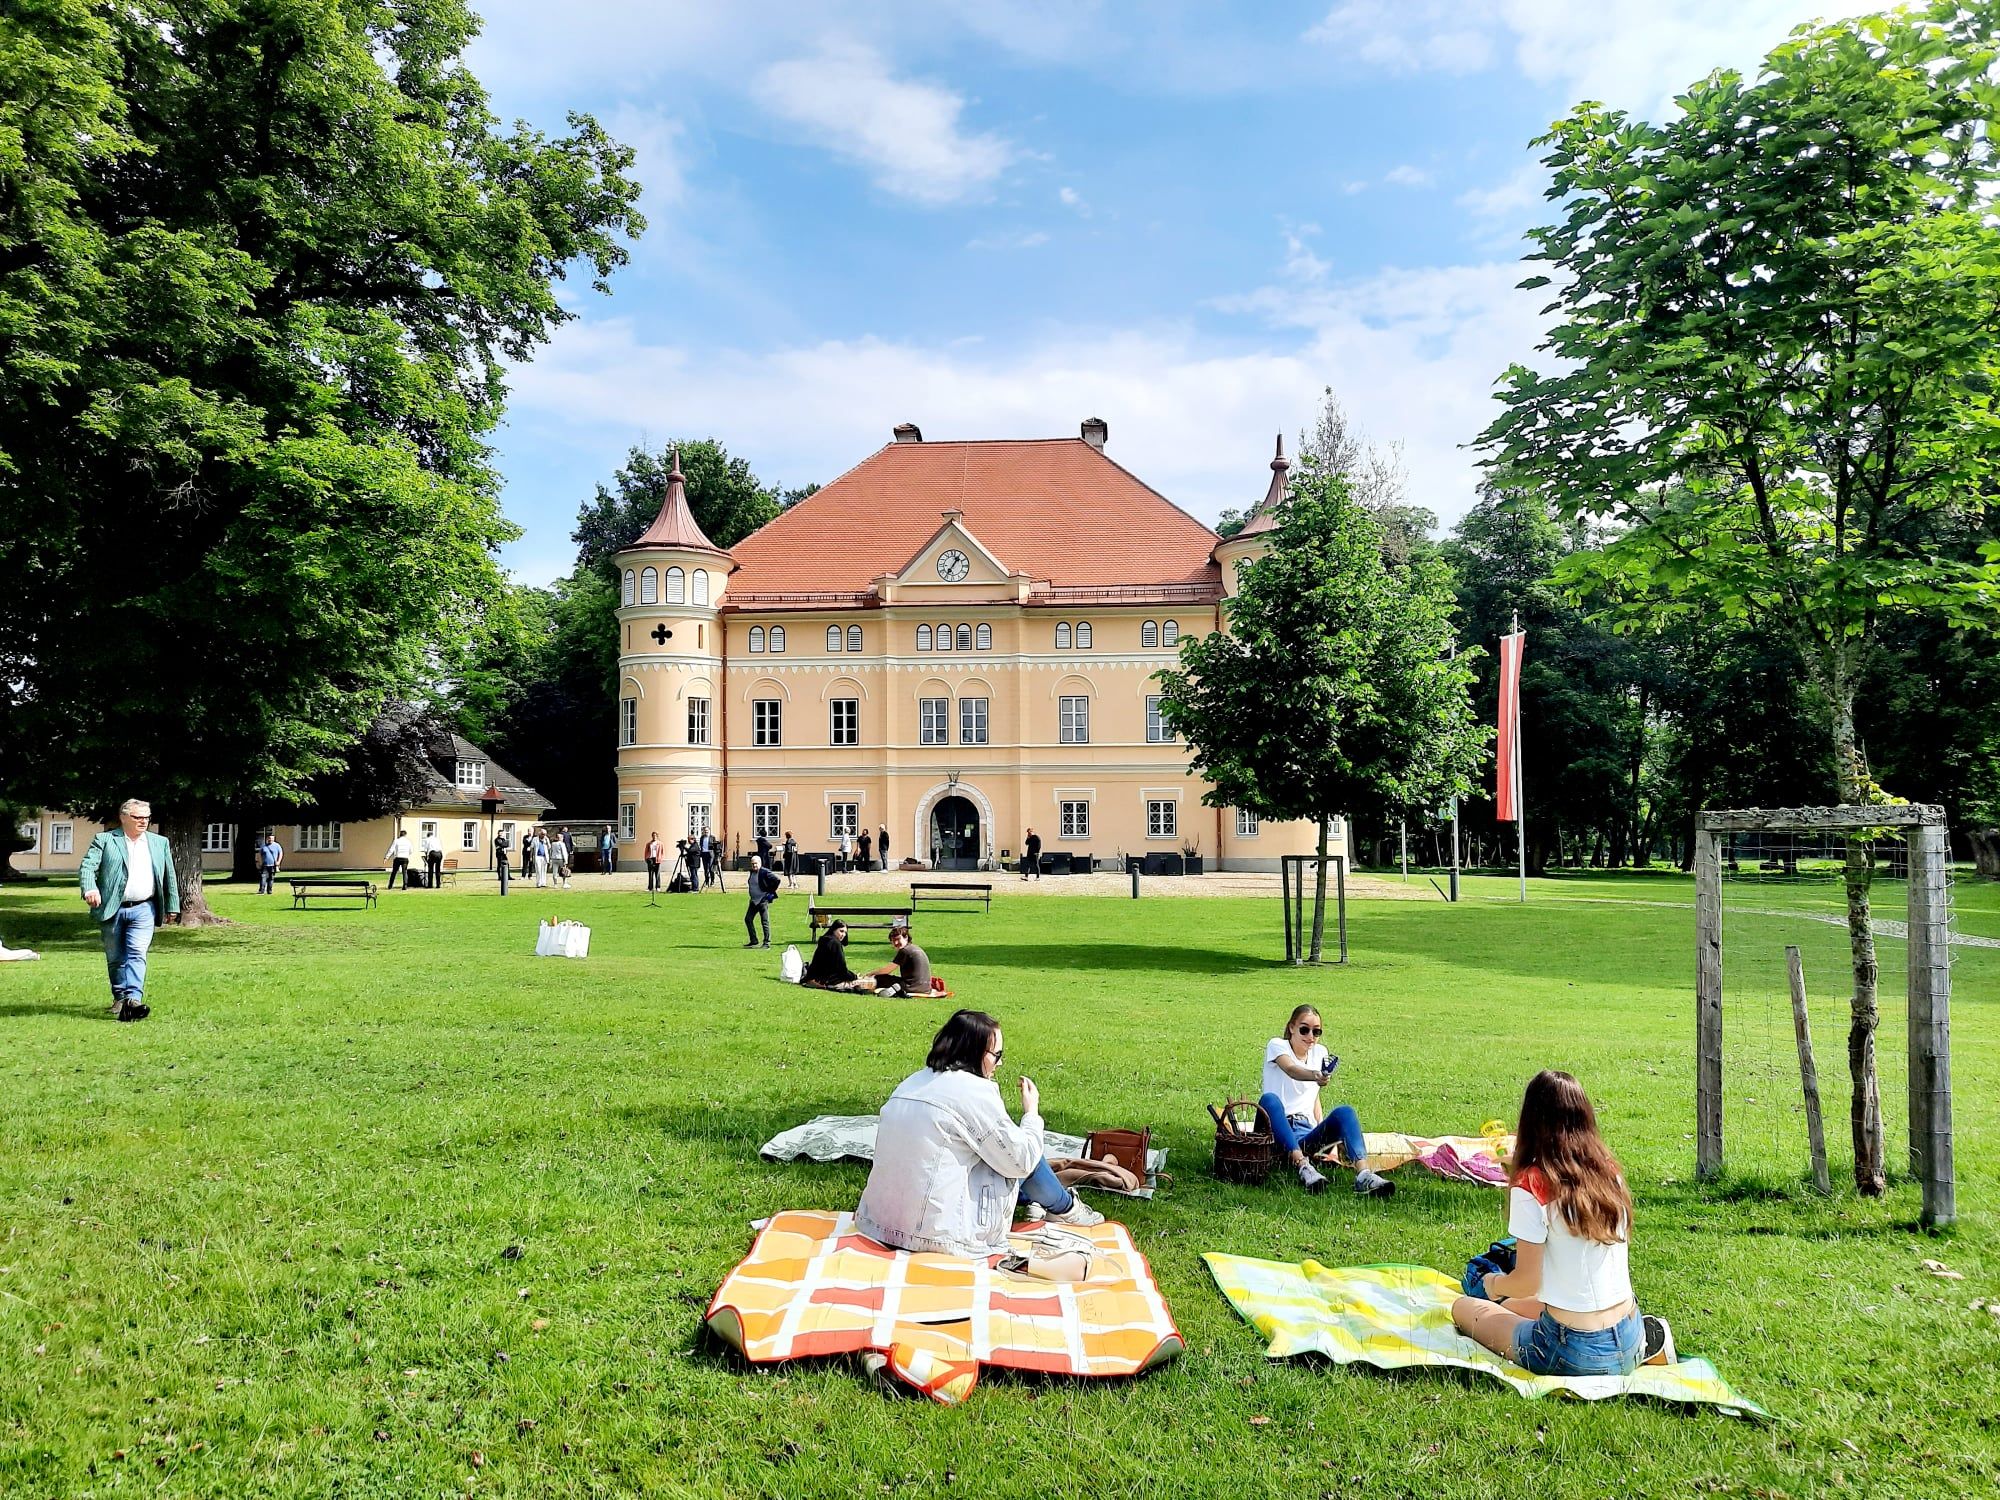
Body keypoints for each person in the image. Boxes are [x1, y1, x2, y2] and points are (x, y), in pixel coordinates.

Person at [1451, 1070, 1670, 1375]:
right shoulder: (1609, 1172)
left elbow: (1527, 1282)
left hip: (1569, 1350)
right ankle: (1648, 1341)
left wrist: (1491, 1284)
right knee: (1511, 1307)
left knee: (1464, 1308)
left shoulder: (1531, 1186)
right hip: (1631, 1335)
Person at [855, 1008, 1103, 1258]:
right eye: (998, 1055)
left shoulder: (911, 1083)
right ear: (975, 1053)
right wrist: (1031, 1113)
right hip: (939, 1237)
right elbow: (1021, 1160)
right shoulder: (974, 1092)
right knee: (1026, 1150)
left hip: (877, 1223)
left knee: (1005, 1149)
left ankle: (1042, 1204)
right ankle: (1068, 1210)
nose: (1001, 1062)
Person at [1257, 1005, 1395, 1198]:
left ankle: (1364, 1174)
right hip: (1274, 1132)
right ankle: (1303, 1166)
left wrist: (1319, 1125)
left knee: (1345, 1112)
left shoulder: (1320, 1052)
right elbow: (1290, 1069)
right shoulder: (1277, 1045)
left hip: (1304, 1133)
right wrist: (1315, 1075)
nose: (1310, 1036)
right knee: (1269, 1100)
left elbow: (1312, 1096)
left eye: (1317, 1031)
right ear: (1291, 1028)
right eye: (1304, 1029)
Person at [78, 798, 180, 1022]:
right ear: (124, 817)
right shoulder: (105, 840)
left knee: (137, 953)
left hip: (144, 908)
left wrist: (172, 906)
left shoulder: (158, 843)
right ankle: (120, 997)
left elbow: (168, 876)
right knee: (116, 958)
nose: (143, 821)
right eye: (137, 817)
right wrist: (90, 889)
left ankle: (134, 998)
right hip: (112, 909)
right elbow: (87, 866)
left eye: (146, 817)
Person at [864, 923, 932, 996]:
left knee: (879, 978)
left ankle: (863, 988)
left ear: (906, 937)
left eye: (898, 939)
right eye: (893, 941)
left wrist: (870, 974)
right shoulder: (915, 948)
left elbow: (887, 970)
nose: (896, 943)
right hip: (926, 988)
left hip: (911, 987)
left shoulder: (905, 951)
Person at [803, 919, 860, 987]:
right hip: (825, 979)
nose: (843, 935)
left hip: (814, 975)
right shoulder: (835, 943)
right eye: (841, 931)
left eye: (845, 932)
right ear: (834, 930)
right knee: (859, 984)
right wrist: (854, 976)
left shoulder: (825, 940)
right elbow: (842, 969)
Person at [743, 854, 780, 948]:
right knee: (748, 919)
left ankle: (767, 943)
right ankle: (754, 940)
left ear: (760, 863)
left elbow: (777, 880)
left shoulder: (765, 872)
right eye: (752, 864)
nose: (754, 865)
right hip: (753, 901)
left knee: (764, 921)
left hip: (762, 900)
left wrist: (770, 892)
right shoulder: (752, 872)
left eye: (755, 863)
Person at [384, 826, 412, 890]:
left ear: (400, 835)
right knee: (404, 872)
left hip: (398, 857)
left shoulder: (396, 841)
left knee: (394, 872)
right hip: (405, 858)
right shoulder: (408, 841)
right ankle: (405, 885)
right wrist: (407, 854)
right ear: (405, 835)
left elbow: (391, 849)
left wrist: (386, 857)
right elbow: (411, 850)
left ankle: (390, 885)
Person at [258, 830, 283, 895]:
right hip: (265, 865)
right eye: (269, 838)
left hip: (273, 865)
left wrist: (278, 862)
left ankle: (269, 891)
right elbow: (259, 855)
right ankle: (261, 890)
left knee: (271, 878)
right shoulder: (263, 846)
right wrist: (260, 863)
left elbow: (280, 854)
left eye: (272, 838)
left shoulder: (277, 846)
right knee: (263, 877)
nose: (270, 840)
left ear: (274, 839)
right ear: (267, 839)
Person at [494, 827, 511, 895]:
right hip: (499, 853)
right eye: (500, 833)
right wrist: (503, 845)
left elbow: (507, 844)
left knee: (507, 864)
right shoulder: (496, 839)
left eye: (502, 833)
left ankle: (508, 876)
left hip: (503, 853)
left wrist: (504, 845)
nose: (501, 834)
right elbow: (502, 844)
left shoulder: (503, 839)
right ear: (498, 833)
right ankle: (499, 876)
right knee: (499, 865)